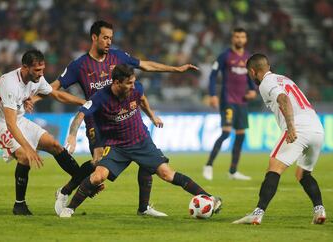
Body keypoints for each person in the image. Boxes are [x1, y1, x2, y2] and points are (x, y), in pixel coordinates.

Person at [32, 20, 199, 216]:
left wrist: (176, 69)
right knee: (97, 163)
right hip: (96, 121)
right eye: (105, 37)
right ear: (94, 37)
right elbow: (54, 86)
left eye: (111, 38)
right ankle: (65, 191)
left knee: (139, 155)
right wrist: (34, 98)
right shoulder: (79, 65)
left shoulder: (118, 57)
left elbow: (145, 65)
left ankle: (142, 207)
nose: (109, 41)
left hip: (122, 119)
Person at [58, 64, 222, 218]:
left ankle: (210, 198)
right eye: (129, 83)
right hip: (116, 146)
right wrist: (72, 135)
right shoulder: (100, 97)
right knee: (98, 176)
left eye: (134, 82)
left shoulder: (136, 89)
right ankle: (69, 208)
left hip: (140, 140)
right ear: (117, 83)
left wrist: (151, 116)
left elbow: (142, 99)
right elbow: (80, 115)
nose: (133, 86)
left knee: (166, 173)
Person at [0, 49, 87, 215]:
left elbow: (57, 95)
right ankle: (19, 205)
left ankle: (84, 181)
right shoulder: (10, 83)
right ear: (25, 67)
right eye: (37, 70)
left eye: (42, 69)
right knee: (24, 156)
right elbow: (10, 124)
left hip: (18, 118)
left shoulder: (36, 79)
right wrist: (29, 148)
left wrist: (85, 102)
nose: (40, 74)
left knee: (54, 144)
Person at [233, 53, 326, 225]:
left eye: (249, 73)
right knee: (303, 174)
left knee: (274, 168)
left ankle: (257, 213)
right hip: (317, 128)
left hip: (299, 127)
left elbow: (283, 99)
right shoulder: (284, 79)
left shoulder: (266, 83)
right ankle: (319, 210)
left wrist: (291, 127)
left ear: (253, 71)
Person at [203, 27, 257, 181]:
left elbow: (250, 78)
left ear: (245, 39)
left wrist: (253, 90)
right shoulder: (225, 56)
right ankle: (208, 165)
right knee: (226, 133)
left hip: (242, 102)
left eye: (242, 37)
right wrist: (213, 95)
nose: (239, 39)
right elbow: (213, 76)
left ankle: (233, 171)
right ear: (233, 39)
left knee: (241, 136)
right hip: (228, 100)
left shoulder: (248, 57)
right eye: (237, 36)